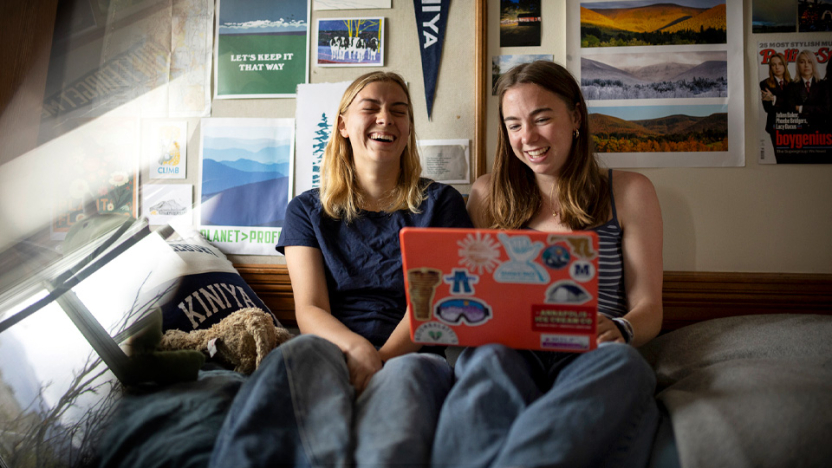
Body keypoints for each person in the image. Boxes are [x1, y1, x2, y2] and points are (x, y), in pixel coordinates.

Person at [209, 71, 473, 467]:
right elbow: (310, 308)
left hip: (413, 353)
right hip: (330, 346)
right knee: (296, 355)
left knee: (406, 381)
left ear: (408, 129)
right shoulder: (306, 210)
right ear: (343, 125)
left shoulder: (442, 204)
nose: (387, 118)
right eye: (371, 108)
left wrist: (380, 359)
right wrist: (356, 349)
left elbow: (431, 305)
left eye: (399, 111)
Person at [431, 61, 663, 468]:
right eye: (514, 125)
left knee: (627, 367)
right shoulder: (486, 194)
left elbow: (649, 307)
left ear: (575, 117)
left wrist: (622, 329)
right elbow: (469, 292)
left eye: (542, 119)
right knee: (485, 362)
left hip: (591, 351)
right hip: (506, 349)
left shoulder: (630, 192)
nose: (528, 137)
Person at [760, 52, 791, 158]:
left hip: (793, 124)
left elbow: (795, 105)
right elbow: (767, 108)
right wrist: (786, 103)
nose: (777, 67)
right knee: (781, 159)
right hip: (775, 125)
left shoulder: (794, 83)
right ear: (770, 67)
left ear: (785, 65)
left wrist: (774, 99)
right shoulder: (765, 84)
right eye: (773, 65)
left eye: (780, 64)